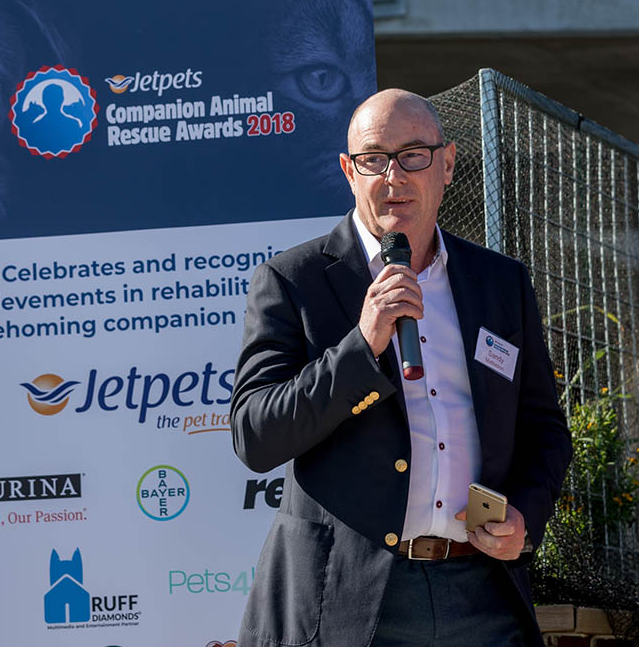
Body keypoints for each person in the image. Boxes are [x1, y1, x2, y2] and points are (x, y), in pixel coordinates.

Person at [230, 89, 572, 646]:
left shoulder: (500, 281)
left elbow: (545, 429)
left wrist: (525, 520)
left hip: (483, 594)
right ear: (350, 172)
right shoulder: (294, 281)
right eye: (374, 159)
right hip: (350, 603)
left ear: (448, 163)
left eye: (414, 154)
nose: (394, 177)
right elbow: (255, 435)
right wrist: (362, 345)